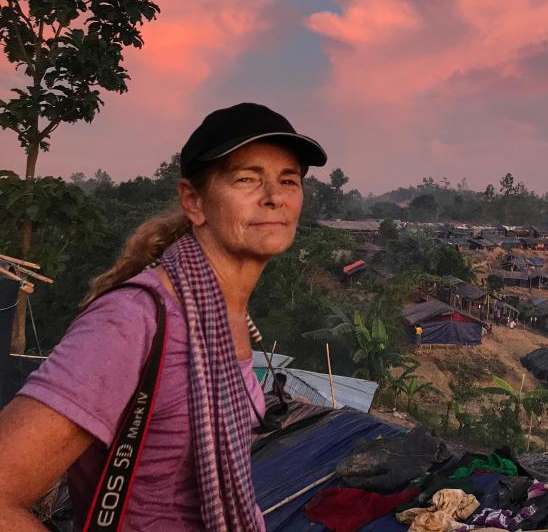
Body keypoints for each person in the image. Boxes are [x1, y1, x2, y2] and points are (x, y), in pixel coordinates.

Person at [0, 103, 326, 531]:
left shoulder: (224, 313)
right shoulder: (132, 322)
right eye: (246, 178)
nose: (274, 197)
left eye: (289, 180)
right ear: (193, 201)